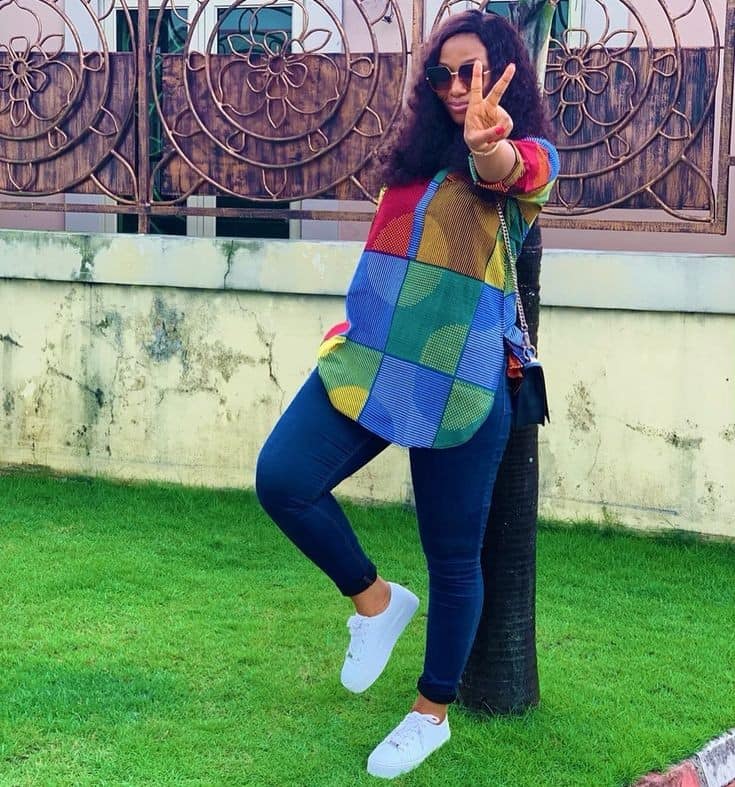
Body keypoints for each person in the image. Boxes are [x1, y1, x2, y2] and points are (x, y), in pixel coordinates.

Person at [256, 9, 558, 780]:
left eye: (473, 72)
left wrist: (487, 146)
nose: (458, 87)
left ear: (503, 75)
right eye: (444, 74)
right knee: (282, 478)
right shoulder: (412, 160)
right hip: (371, 358)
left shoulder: (525, 159)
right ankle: (375, 600)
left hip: (462, 376)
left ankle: (430, 713)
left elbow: (514, 170)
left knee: (452, 557)